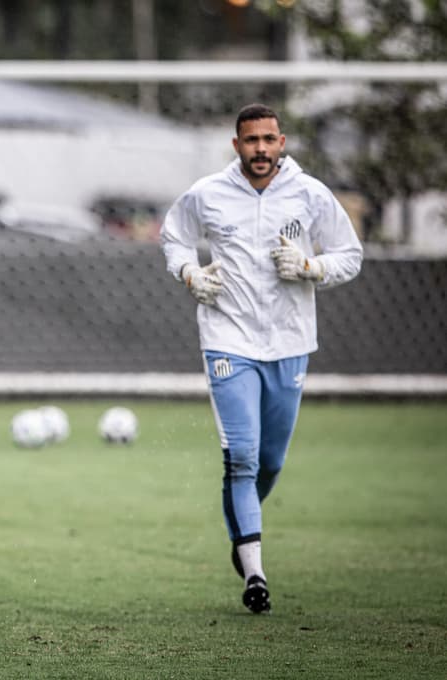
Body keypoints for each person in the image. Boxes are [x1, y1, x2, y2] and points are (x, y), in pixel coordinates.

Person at [160, 103, 362, 614]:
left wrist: (311, 266)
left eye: (269, 140)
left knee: (270, 461)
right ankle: (255, 573)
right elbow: (173, 237)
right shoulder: (207, 194)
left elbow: (350, 255)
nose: (261, 150)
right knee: (243, 456)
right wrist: (190, 273)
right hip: (227, 339)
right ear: (236, 146)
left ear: (282, 141)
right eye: (251, 141)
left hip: (290, 342)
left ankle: (240, 528)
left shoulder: (310, 194)